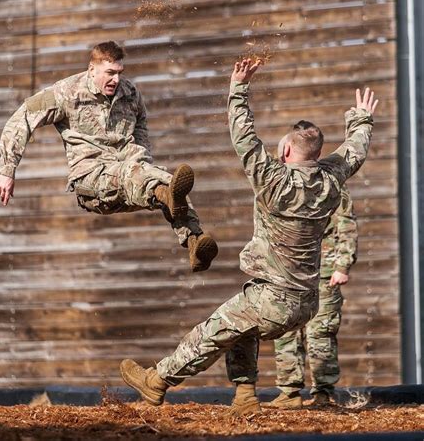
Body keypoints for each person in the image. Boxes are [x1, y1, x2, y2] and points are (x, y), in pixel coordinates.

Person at [119, 58, 378, 416]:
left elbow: (244, 139)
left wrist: (238, 87)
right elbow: (355, 150)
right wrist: (360, 119)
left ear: (286, 152)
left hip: (274, 299)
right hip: (306, 302)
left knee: (210, 333)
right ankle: (245, 397)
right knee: (242, 325)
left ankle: (157, 380)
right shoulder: (332, 179)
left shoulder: (275, 181)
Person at [0, 41, 218, 272]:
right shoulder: (66, 92)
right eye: (110, 73)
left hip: (130, 178)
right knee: (143, 179)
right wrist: (6, 169)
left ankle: (194, 243)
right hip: (91, 181)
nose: (116, 80)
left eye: (119, 73)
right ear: (92, 69)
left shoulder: (130, 94)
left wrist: (143, 159)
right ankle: (161, 193)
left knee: (166, 180)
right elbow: (22, 119)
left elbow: (140, 129)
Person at [271, 183, 357, 408]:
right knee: (285, 331)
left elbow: (346, 224)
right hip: (287, 273)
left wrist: (343, 265)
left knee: (321, 332)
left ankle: (323, 393)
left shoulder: (329, 185)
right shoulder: (280, 184)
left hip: (323, 273)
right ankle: (288, 393)